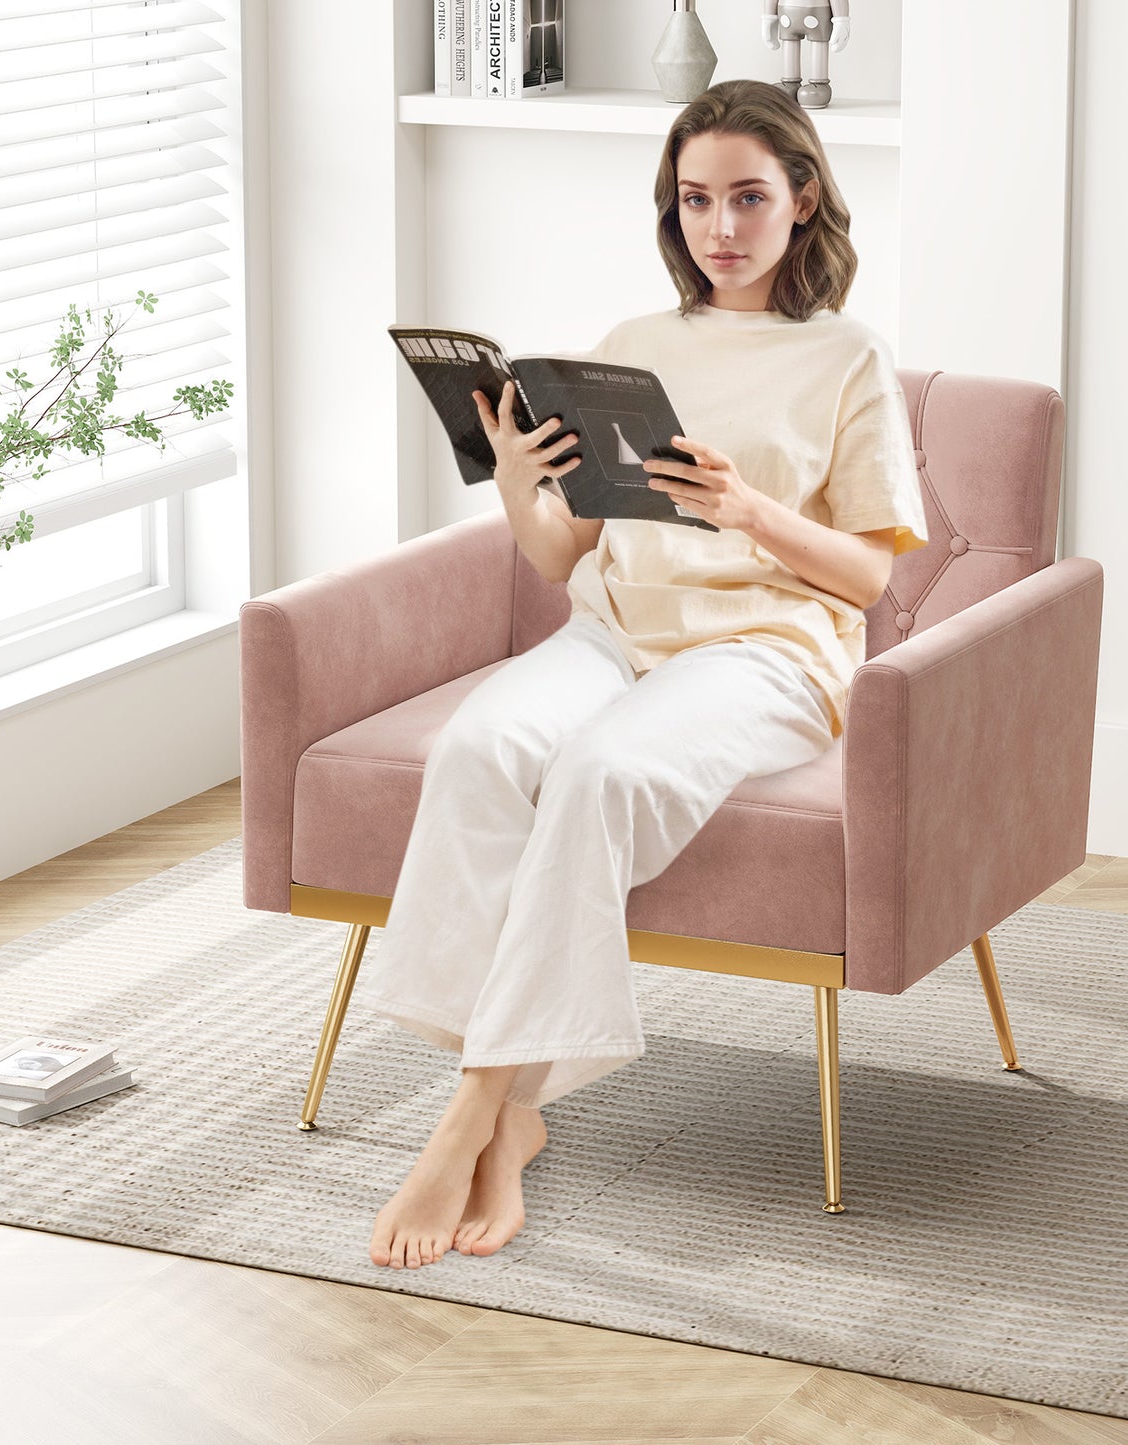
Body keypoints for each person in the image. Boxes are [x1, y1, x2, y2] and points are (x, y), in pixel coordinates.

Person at [354, 77, 930, 1271]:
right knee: (475, 748)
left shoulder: (847, 356)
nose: (720, 228)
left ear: (803, 198)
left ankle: (476, 1111)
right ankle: (517, 1111)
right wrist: (519, 478)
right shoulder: (630, 347)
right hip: (614, 628)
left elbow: (872, 583)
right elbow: (570, 552)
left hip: (768, 648)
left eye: (748, 199)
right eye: (696, 200)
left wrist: (748, 509)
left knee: (600, 774)